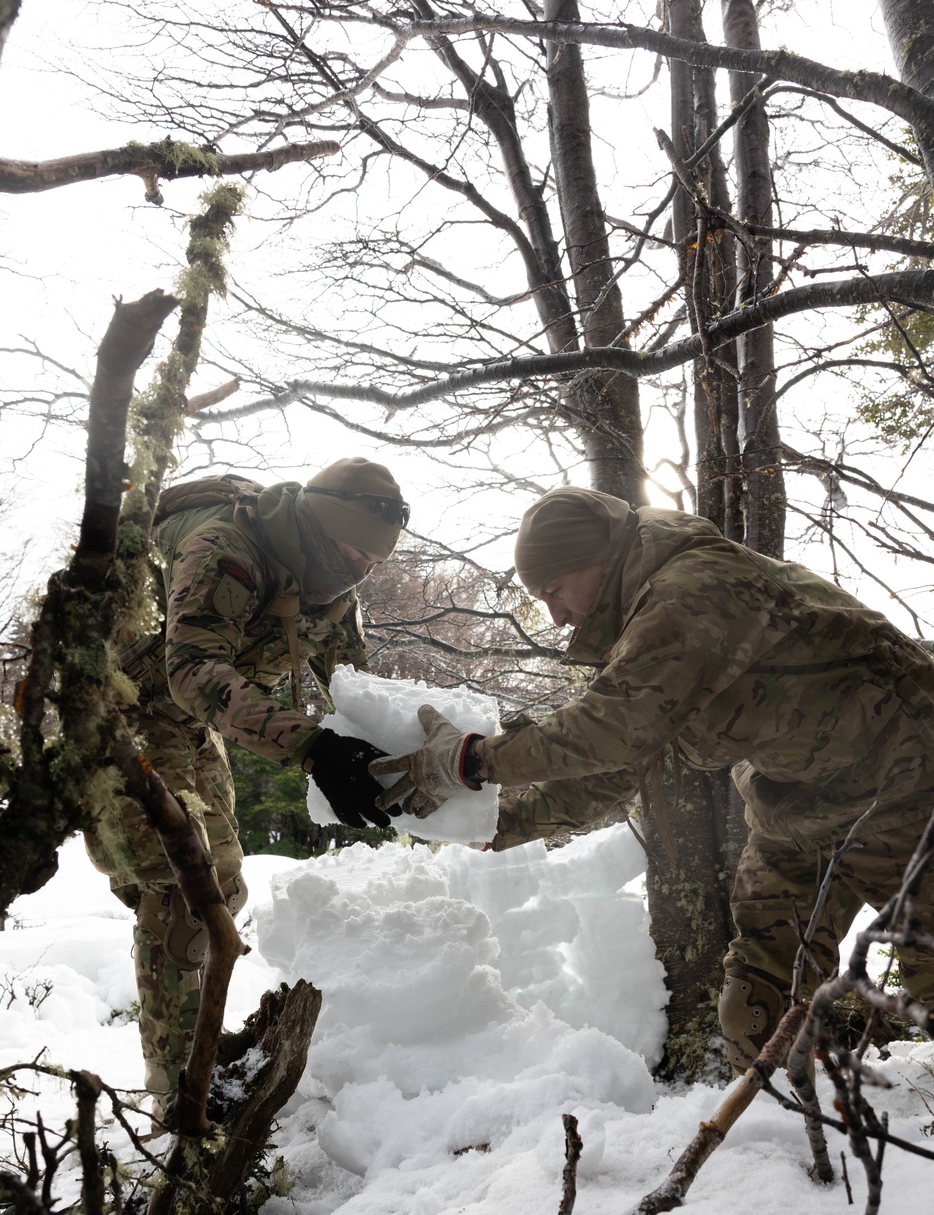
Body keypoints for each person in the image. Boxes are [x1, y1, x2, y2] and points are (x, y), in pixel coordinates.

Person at [371, 487, 934, 1071]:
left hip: (906, 784)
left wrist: (473, 760)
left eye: (555, 591)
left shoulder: (691, 589)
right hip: (797, 807)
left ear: (598, 560)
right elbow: (616, 764)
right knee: (753, 1005)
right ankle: (795, 1139)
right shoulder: (646, 625)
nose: (558, 615)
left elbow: (614, 727)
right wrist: (499, 825)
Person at [87, 457, 408, 1120]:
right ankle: (177, 1092)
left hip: (187, 721)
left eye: (372, 563)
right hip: (112, 709)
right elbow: (192, 669)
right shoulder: (227, 548)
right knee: (181, 886)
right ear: (321, 526)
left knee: (224, 884)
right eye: (351, 552)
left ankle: (197, 1052)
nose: (358, 570)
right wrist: (312, 746)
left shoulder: (332, 583)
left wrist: (407, 758)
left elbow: (355, 683)